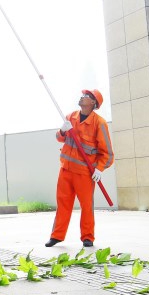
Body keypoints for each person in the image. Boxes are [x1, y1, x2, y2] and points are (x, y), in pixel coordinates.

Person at [46, 89, 114, 248]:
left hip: (84, 174)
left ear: (93, 103)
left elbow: (108, 154)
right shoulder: (71, 117)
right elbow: (59, 138)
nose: (82, 97)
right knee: (62, 204)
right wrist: (62, 130)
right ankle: (56, 236)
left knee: (86, 206)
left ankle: (87, 237)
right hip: (65, 170)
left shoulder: (99, 123)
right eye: (83, 95)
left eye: (86, 96)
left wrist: (99, 169)